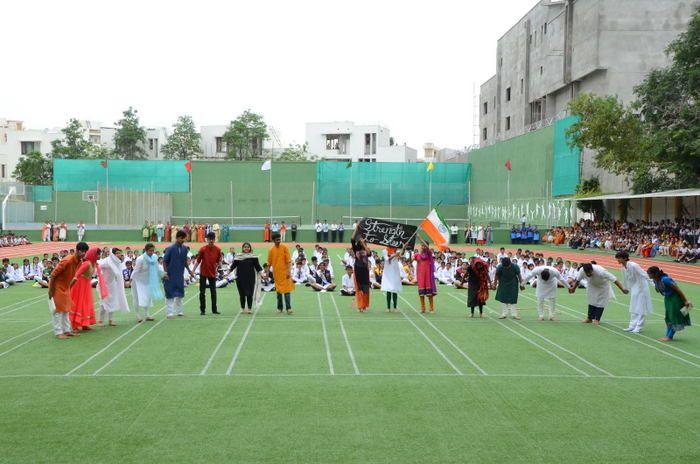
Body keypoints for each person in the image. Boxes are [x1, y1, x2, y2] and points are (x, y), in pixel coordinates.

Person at [49, 242, 88, 339]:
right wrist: (51, 289)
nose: (84, 253)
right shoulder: (67, 260)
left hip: (66, 287)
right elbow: (53, 275)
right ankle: (58, 332)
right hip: (57, 286)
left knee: (66, 309)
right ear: (77, 251)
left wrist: (69, 287)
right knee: (57, 310)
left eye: (85, 252)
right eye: (82, 251)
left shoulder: (79, 261)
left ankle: (67, 330)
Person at [647, 266, 692, 342]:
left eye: (649, 274)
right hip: (667, 299)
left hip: (675, 299)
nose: (648, 275)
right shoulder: (656, 280)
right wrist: (655, 282)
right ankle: (667, 335)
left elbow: (677, 289)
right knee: (668, 317)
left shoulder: (665, 279)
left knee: (674, 317)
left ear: (655, 274)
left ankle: (670, 336)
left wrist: (685, 301)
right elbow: (658, 291)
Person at [616, 250, 653, 333]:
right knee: (633, 307)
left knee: (641, 307)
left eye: (619, 258)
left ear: (625, 258)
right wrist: (625, 288)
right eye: (617, 258)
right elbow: (625, 279)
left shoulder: (634, 265)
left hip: (642, 287)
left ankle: (638, 327)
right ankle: (632, 326)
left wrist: (654, 284)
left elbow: (644, 274)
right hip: (634, 288)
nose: (617, 260)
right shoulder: (622, 268)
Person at [69, 247, 106, 331]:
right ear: (93, 255)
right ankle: (74, 325)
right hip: (79, 285)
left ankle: (84, 324)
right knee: (79, 303)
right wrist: (70, 286)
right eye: (97, 254)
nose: (99, 256)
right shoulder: (87, 263)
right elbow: (77, 275)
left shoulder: (94, 263)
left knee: (86, 304)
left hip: (86, 285)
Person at [165, 230, 196, 318]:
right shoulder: (170, 249)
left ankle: (179, 311)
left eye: (184, 238)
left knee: (180, 293)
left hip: (179, 274)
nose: (183, 240)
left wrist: (189, 271)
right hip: (170, 274)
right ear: (177, 238)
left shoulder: (185, 249)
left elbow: (184, 262)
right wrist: (165, 273)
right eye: (182, 238)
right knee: (170, 293)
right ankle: (169, 312)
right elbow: (164, 261)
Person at [131, 243, 164, 322]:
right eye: (150, 251)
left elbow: (157, 268)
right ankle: (138, 315)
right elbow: (135, 271)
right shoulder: (140, 259)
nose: (151, 252)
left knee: (148, 297)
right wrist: (131, 280)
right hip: (138, 280)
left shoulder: (155, 257)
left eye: (153, 250)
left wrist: (163, 274)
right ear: (146, 250)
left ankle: (147, 314)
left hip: (148, 280)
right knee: (136, 298)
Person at [97, 248, 130, 326]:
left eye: (119, 253)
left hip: (112, 285)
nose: (119, 255)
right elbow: (98, 265)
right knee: (103, 303)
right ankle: (100, 321)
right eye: (117, 253)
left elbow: (119, 274)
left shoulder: (118, 262)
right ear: (113, 254)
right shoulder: (107, 261)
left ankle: (110, 320)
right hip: (104, 285)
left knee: (113, 301)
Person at [230, 242, 263, 314]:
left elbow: (257, 266)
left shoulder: (253, 257)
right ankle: (242, 308)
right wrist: (227, 273)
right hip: (240, 278)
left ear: (250, 248)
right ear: (242, 248)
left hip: (250, 278)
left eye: (248, 247)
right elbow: (233, 266)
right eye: (245, 247)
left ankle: (249, 308)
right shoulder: (238, 256)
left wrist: (262, 274)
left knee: (249, 294)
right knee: (242, 294)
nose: (246, 248)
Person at [194, 232, 222, 316]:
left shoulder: (218, 249)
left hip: (212, 273)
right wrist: (192, 270)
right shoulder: (202, 249)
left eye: (212, 239)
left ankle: (214, 309)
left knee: (213, 292)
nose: (211, 241)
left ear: (214, 239)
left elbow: (218, 261)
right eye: (209, 239)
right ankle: (202, 310)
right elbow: (198, 261)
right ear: (207, 240)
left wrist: (218, 267)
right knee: (202, 292)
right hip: (203, 273)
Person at [268, 233, 294, 314]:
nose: (279, 241)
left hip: (285, 273)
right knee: (278, 292)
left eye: (279, 239)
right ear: (273, 240)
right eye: (277, 240)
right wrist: (267, 272)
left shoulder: (285, 248)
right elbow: (269, 262)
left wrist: (288, 271)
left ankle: (288, 308)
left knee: (287, 291)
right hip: (277, 274)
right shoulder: (271, 250)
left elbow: (289, 261)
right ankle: (279, 308)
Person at [350, 227, 371, 312]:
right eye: (361, 241)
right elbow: (352, 239)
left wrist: (364, 245)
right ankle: (360, 306)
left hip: (365, 270)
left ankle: (364, 305)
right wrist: (356, 228)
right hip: (358, 269)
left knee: (365, 288)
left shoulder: (366, 249)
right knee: (359, 288)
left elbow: (369, 253)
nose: (362, 241)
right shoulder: (356, 249)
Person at [414, 238, 437, 313]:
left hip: (428, 277)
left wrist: (419, 237)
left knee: (429, 294)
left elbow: (427, 248)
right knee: (421, 294)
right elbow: (409, 260)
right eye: (422, 246)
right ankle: (423, 308)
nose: (423, 247)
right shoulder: (417, 255)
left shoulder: (429, 254)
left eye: (424, 246)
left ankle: (431, 308)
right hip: (420, 277)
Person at [381, 247, 403, 311]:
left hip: (395, 271)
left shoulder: (397, 250)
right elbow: (387, 259)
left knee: (394, 289)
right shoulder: (385, 250)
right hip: (388, 272)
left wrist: (404, 247)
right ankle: (388, 307)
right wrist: (394, 255)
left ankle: (395, 307)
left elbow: (401, 255)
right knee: (388, 288)